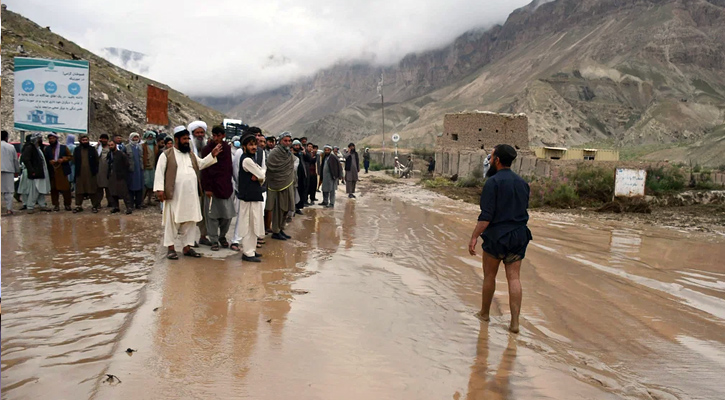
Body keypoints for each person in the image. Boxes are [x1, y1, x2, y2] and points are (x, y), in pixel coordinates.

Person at [468, 144, 532, 334]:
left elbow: (486, 216)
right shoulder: (522, 183)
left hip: (497, 237)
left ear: (496, 160)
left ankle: (485, 314)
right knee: (514, 278)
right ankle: (514, 324)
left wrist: (474, 237)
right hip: (519, 236)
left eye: (492, 155)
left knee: (489, 276)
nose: (489, 158)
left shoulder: (493, 182)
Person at [154, 126, 222, 259]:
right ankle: (171, 248)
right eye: (184, 139)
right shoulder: (166, 154)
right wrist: (159, 190)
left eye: (187, 138)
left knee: (190, 222)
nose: (187, 141)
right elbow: (159, 173)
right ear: (176, 139)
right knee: (172, 222)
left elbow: (201, 164)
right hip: (174, 196)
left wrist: (212, 155)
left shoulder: (191, 154)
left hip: (191, 195)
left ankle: (187, 247)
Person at [200, 125, 235, 250]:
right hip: (212, 188)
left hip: (225, 187)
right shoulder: (207, 149)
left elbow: (228, 168)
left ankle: (222, 236)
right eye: (214, 135)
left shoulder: (226, 148)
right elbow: (204, 171)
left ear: (223, 136)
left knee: (227, 215)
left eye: (218, 136)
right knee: (212, 216)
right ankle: (214, 239)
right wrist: (207, 188)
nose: (216, 138)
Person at [235, 134, 267, 262]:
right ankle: (248, 253)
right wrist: (260, 174)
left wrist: (260, 175)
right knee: (248, 225)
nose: (254, 147)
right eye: (251, 145)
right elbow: (261, 173)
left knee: (254, 224)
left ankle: (251, 250)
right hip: (248, 197)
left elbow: (262, 173)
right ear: (244, 146)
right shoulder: (247, 160)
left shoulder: (251, 159)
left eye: (255, 144)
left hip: (254, 196)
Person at [265, 132, 295, 241]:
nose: (287, 143)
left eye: (289, 141)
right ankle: (276, 231)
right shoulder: (275, 153)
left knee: (286, 209)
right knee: (278, 209)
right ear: (280, 141)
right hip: (277, 185)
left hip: (288, 184)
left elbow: (291, 167)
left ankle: (281, 229)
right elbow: (271, 167)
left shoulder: (288, 153)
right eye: (285, 140)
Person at [187, 120, 210, 245]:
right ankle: (190, 239)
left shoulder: (206, 145)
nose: (200, 135)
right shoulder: (189, 146)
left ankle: (203, 236)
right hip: (191, 184)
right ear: (193, 133)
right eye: (197, 132)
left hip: (204, 184)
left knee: (203, 211)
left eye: (202, 132)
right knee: (191, 212)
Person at [19, 133, 51, 213]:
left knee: (41, 189)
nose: (40, 140)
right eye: (39, 138)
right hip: (35, 173)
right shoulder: (30, 147)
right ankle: (30, 206)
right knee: (34, 190)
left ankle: (42, 205)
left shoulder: (37, 148)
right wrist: (32, 170)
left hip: (41, 172)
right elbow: (26, 160)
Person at [43, 132, 73, 211]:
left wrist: (63, 159)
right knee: (54, 189)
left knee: (66, 189)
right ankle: (56, 205)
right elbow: (44, 160)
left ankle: (67, 204)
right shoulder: (47, 149)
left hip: (62, 170)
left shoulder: (63, 147)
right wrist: (50, 162)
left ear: (56, 139)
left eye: (53, 138)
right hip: (52, 171)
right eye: (50, 139)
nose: (51, 140)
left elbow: (70, 157)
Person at [73, 134, 100, 213]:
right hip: (80, 173)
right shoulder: (77, 150)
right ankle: (78, 206)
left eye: (86, 140)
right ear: (80, 141)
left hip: (90, 173)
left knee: (92, 189)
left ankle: (94, 206)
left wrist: (95, 170)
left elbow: (96, 160)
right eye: (83, 140)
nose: (85, 142)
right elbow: (74, 160)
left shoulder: (92, 149)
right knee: (79, 190)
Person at [107, 140, 133, 214]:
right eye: (109, 145)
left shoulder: (121, 154)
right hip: (112, 175)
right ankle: (116, 207)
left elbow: (127, 164)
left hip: (120, 176)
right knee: (113, 192)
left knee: (124, 192)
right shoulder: (110, 154)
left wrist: (123, 173)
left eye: (112, 145)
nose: (110, 146)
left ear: (115, 145)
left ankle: (129, 207)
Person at [1, 130, 21, 215]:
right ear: (6, 137)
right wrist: (17, 170)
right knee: (8, 191)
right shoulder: (11, 147)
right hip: (8, 170)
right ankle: (9, 209)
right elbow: (15, 160)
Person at [125, 132, 144, 209]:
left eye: (137, 138)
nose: (135, 139)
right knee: (131, 187)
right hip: (131, 171)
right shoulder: (126, 147)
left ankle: (138, 204)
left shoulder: (140, 147)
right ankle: (131, 204)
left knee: (140, 187)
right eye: (134, 138)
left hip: (139, 170)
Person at [142, 131, 159, 207]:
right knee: (145, 184)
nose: (150, 138)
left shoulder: (155, 146)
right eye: (149, 137)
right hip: (145, 168)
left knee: (152, 184)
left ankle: (149, 200)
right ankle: (141, 200)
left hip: (153, 168)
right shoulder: (143, 146)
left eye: (151, 137)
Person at [292, 139, 308, 213]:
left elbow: (309, 159)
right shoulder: (291, 154)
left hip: (302, 176)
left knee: (301, 191)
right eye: (295, 145)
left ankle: (298, 207)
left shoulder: (301, 154)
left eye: (298, 145)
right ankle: (293, 207)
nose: (297, 147)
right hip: (294, 176)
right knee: (295, 192)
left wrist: (304, 152)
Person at [96, 133, 112, 207]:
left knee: (109, 188)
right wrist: (98, 145)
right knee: (99, 188)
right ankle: (98, 203)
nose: (103, 140)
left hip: (108, 171)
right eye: (102, 139)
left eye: (105, 139)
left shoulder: (110, 148)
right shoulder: (97, 148)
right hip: (99, 171)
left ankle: (111, 202)